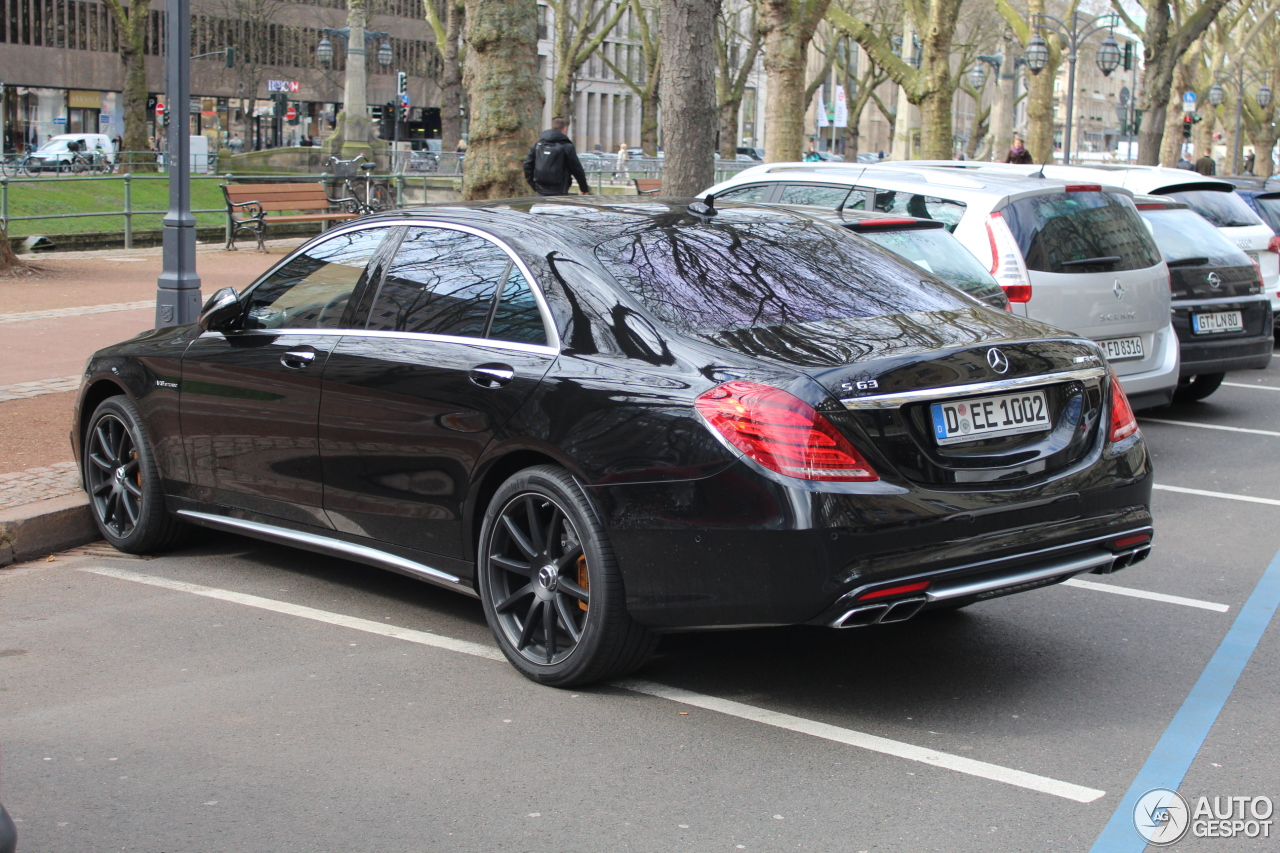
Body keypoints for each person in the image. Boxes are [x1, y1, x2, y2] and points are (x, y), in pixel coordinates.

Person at [523, 116, 590, 196]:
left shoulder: (538, 145)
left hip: (540, 188)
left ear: (551, 128)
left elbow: (527, 165)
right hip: (560, 188)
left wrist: (533, 185)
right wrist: (584, 188)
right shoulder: (566, 146)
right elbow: (576, 169)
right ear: (564, 129)